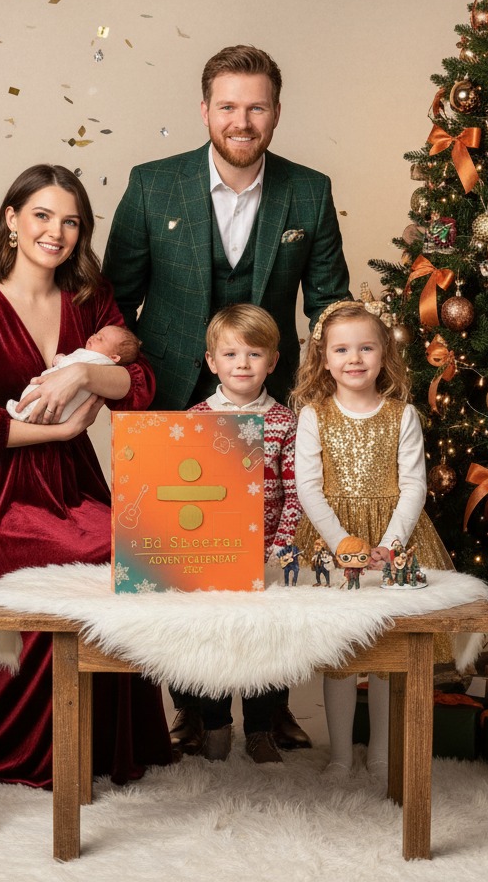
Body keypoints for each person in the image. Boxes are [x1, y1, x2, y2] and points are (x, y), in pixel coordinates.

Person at [0, 163, 169, 785]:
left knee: (141, 550)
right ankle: (43, 738)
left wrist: (84, 373)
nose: (55, 233)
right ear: (11, 219)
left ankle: (98, 733)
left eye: (71, 222)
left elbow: (138, 387)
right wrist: (56, 430)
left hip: (75, 483)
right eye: (42, 216)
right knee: (96, 551)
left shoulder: (92, 303)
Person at [102, 43, 350, 411]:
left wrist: (343, 387)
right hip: (163, 391)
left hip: (273, 396)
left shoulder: (310, 191)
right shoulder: (150, 185)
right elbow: (114, 302)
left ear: (276, 113)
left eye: (257, 108)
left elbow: (329, 306)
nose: (242, 123)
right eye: (227, 107)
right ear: (205, 111)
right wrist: (127, 379)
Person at [289, 301, 455, 780]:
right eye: (342, 349)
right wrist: (341, 541)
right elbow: (308, 488)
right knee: (341, 651)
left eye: (366, 347)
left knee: (387, 647)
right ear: (323, 358)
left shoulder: (401, 415)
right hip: (329, 542)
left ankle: (381, 752)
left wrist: (390, 543)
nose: (354, 358)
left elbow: (414, 485)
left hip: (393, 538)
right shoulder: (313, 415)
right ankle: (341, 755)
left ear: (385, 355)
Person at [179, 304, 309, 764]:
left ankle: (260, 730)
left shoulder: (284, 422)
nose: (242, 364)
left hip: (264, 557)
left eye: (254, 354)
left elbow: (296, 495)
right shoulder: (193, 420)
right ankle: (215, 726)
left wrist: (277, 551)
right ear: (212, 361)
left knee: (264, 643)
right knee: (214, 640)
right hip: (210, 556)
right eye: (230, 354)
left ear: (272, 362)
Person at [6, 324, 142, 423]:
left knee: (36, 398)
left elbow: (71, 365)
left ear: (114, 358)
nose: (94, 337)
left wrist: (60, 359)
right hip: (64, 416)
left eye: (101, 339)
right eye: (96, 333)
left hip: (55, 402)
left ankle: (23, 412)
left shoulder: (96, 360)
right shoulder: (103, 368)